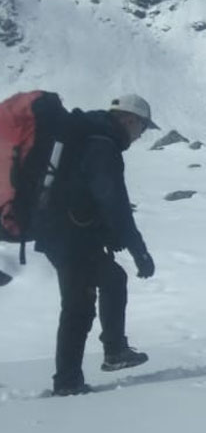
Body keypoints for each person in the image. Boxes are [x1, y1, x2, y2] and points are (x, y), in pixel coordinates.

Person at [36, 94, 159, 396]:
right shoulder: (102, 145)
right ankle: (69, 380)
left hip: (63, 233)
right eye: (141, 128)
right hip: (68, 236)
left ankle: (108, 354)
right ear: (129, 119)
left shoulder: (89, 135)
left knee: (110, 280)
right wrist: (139, 250)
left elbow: (87, 194)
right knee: (79, 306)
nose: (140, 135)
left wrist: (106, 232)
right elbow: (113, 201)